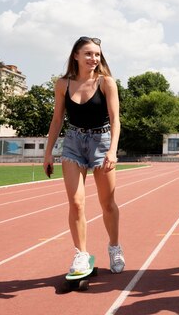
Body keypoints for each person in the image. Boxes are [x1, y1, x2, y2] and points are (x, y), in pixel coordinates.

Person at [43, 36, 125, 276]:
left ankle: (114, 247)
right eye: (88, 54)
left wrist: (112, 150)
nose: (93, 58)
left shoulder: (106, 83)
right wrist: (48, 153)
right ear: (76, 56)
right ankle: (81, 253)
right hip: (73, 143)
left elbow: (115, 119)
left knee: (107, 204)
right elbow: (57, 120)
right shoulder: (62, 84)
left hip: (102, 142)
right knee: (76, 203)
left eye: (97, 54)